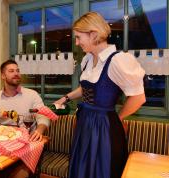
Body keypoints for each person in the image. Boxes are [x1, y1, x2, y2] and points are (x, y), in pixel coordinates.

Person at [54, 12, 146, 178]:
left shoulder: (118, 60)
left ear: (93, 34)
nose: (76, 42)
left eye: (78, 37)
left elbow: (139, 97)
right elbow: (87, 88)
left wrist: (118, 119)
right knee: (82, 167)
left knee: (100, 169)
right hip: (84, 122)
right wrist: (66, 97)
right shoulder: (88, 59)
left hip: (104, 127)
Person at [0, 59, 50, 142]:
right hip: (3, 141)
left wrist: (39, 131)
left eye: (18, 71)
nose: (16, 73)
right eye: (11, 71)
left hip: (29, 141)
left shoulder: (32, 95)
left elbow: (43, 116)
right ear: (3, 76)